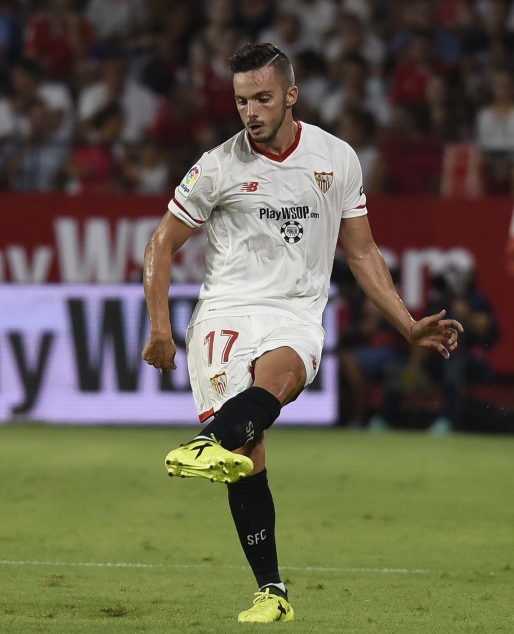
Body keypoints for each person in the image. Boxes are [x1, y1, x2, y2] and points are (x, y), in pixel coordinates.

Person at [141, 43, 462, 624]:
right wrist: (160, 325)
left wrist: (408, 324)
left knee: (279, 383)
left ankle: (210, 441)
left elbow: (362, 253)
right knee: (248, 453)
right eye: (241, 101)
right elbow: (161, 242)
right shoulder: (217, 165)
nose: (251, 112)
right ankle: (273, 593)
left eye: (262, 98)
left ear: (291, 95)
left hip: (295, 310)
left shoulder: (335, 159)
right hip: (226, 313)